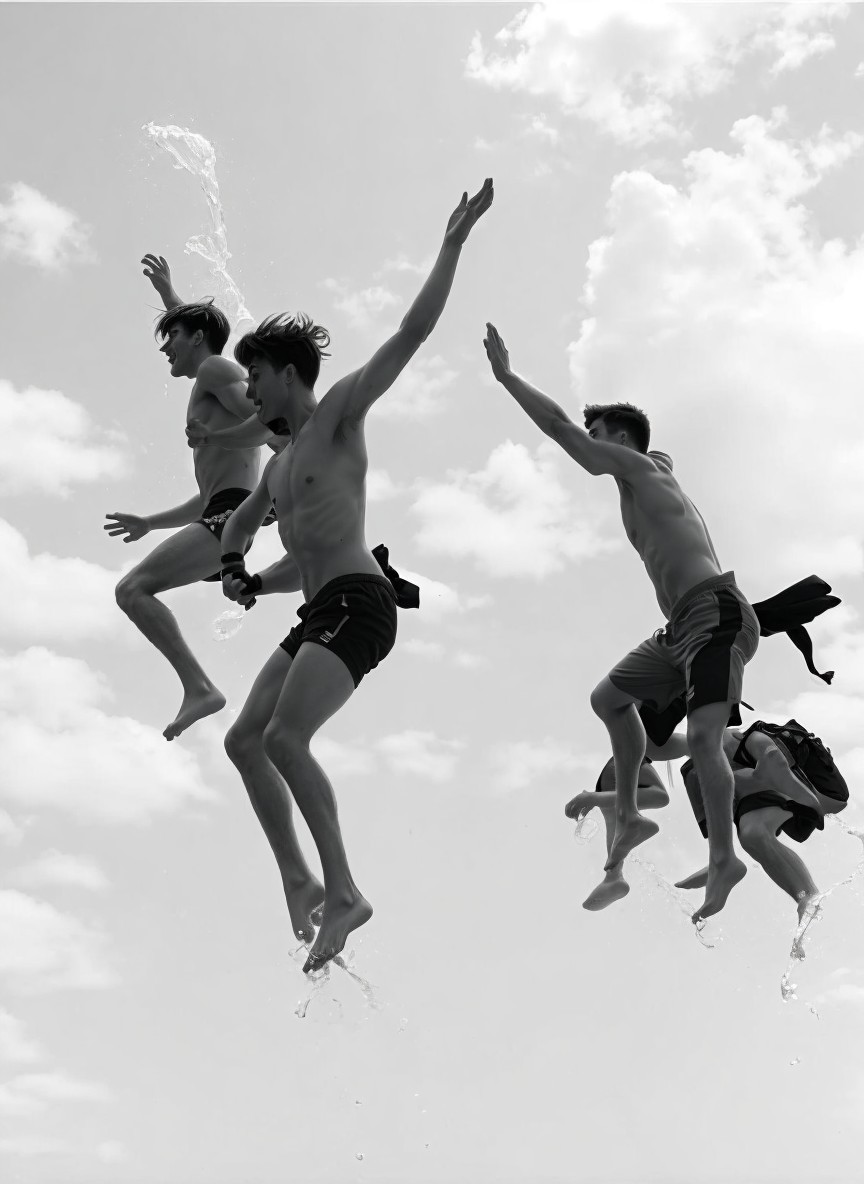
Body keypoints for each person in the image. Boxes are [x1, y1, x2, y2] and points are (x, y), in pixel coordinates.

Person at [219, 180, 494, 972]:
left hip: (362, 604)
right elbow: (267, 549)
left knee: (284, 735)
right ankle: (300, 880)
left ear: (285, 374)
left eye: (257, 376)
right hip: (317, 610)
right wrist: (243, 574)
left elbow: (411, 332)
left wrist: (451, 244)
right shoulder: (279, 472)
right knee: (245, 742)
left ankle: (346, 891)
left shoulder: (338, 414)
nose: (250, 390)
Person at [482, 325, 759, 921]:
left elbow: (559, 430)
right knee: (608, 698)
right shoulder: (649, 472)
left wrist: (508, 378)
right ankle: (630, 814)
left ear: (623, 442)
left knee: (706, 739)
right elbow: (658, 453)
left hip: (716, 614)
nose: (590, 443)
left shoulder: (641, 471)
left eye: (599, 434)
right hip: (681, 628)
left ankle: (723, 859)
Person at [105, 256, 280, 741]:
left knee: (131, 590)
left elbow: (271, 423)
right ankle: (198, 685)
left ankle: (200, 687)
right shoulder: (212, 372)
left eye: (172, 338)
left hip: (233, 518)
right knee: (134, 591)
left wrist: (286, 471)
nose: (165, 350)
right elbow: (210, 496)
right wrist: (149, 521)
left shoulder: (215, 370)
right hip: (226, 514)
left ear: (196, 337)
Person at [670, 721, 849, 920]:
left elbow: (780, 770)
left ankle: (724, 862)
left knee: (712, 776)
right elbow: (669, 746)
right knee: (752, 835)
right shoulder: (717, 757)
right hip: (782, 788)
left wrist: (811, 804)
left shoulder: (754, 740)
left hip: (819, 791)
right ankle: (803, 895)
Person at [565, 758, 669, 910]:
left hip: (612, 776)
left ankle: (613, 877)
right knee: (659, 796)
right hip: (622, 765)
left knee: (617, 827)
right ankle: (595, 799)